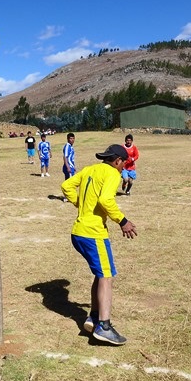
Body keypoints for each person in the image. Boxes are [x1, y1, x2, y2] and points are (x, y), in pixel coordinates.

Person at [61, 144, 136, 346]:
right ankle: (104, 326)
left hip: (78, 233)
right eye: (123, 165)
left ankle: (93, 317)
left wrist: (80, 204)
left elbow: (66, 186)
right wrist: (122, 221)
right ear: (118, 161)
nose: (123, 169)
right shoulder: (112, 173)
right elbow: (105, 199)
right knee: (106, 276)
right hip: (93, 234)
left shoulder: (89, 169)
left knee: (100, 273)